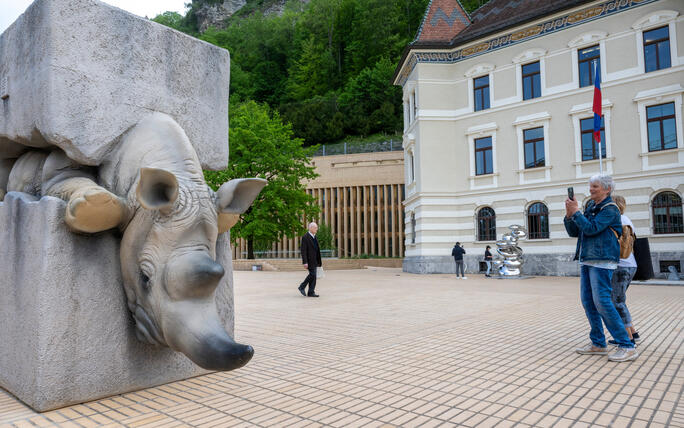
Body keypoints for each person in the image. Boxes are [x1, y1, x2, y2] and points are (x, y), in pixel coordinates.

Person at [564, 174, 638, 362]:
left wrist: (577, 213)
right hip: (587, 259)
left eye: (595, 186)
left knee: (603, 302)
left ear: (607, 189)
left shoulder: (610, 209)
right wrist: (569, 215)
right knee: (588, 301)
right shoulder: (591, 206)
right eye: (590, 186)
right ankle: (598, 343)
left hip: (603, 260)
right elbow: (576, 232)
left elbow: (591, 229)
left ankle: (627, 345)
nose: (591, 189)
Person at [609, 195, 640, 345]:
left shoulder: (618, 221)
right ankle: (633, 332)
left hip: (621, 266)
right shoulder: (627, 219)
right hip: (630, 264)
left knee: (617, 302)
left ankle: (627, 337)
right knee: (619, 300)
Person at [298, 222, 322, 297]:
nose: (317, 229)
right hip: (309, 260)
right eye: (315, 228)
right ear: (311, 228)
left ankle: (311, 292)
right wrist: (305, 262)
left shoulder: (315, 236)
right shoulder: (305, 237)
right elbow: (303, 250)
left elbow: (317, 250)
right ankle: (302, 286)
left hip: (315, 260)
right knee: (312, 274)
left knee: (314, 276)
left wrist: (319, 261)